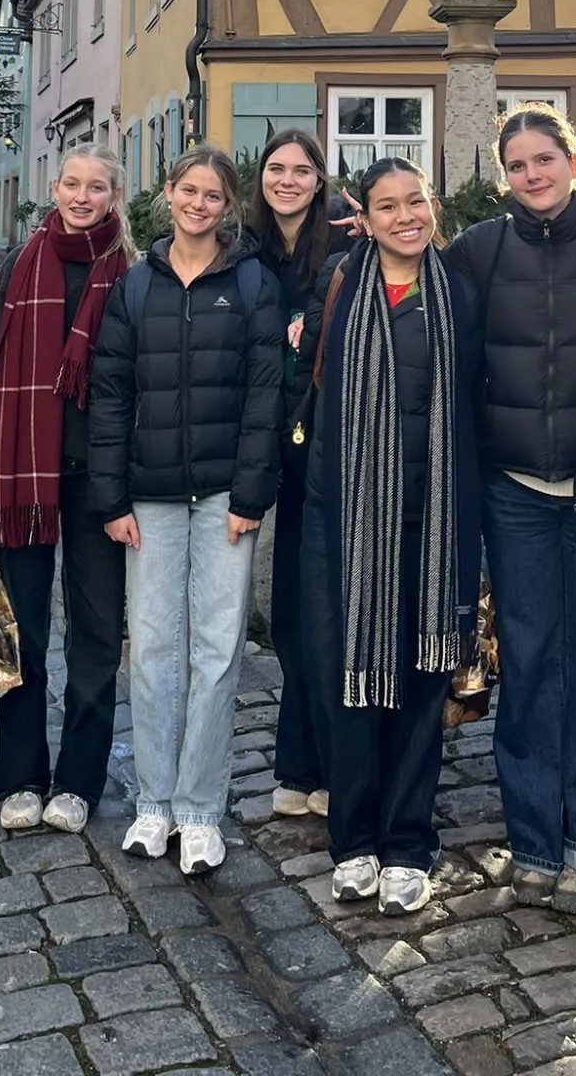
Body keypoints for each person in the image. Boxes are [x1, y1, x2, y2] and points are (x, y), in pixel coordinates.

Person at [446, 108, 576, 912]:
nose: (533, 175)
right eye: (518, 164)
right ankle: (533, 836)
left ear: (575, 158)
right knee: (528, 661)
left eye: (545, 159)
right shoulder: (479, 250)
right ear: (505, 176)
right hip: (516, 490)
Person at [88, 145, 284, 878]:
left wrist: (252, 493)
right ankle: (153, 799)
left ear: (227, 205)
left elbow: (267, 396)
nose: (199, 204)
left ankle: (201, 807)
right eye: (188, 191)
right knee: (156, 649)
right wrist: (111, 497)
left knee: (217, 650)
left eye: (213, 195)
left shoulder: (252, 283)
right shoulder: (137, 285)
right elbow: (111, 398)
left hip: (225, 498)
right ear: (168, 193)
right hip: (152, 495)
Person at [302, 158, 480, 916]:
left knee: (418, 681)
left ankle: (408, 842)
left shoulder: (460, 294)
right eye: (387, 205)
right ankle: (354, 841)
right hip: (344, 518)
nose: (405, 215)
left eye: (416, 201)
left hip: (432, 517)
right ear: (364, 219)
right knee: (348, 681)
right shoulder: (338, 288)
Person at [0, 146, 135, 836]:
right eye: (71, 184)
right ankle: (22, 777)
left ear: (115, 194)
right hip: (19, 475)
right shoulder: (14, 269)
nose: (82, 197)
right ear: (52, 188)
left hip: (99, 481)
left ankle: (79, 781)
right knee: (21, 631)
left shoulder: (128, 271)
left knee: (94, 634)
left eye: (96, 187)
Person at [247, 127, 339, 823]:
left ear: (318, 179)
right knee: (285, 616)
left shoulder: (342, 247)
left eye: (300, 170)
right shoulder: (244, 250)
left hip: (323, 447)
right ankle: (297, 758)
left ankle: (318, 764)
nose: (287, 180)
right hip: (257, 443)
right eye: (276, 169)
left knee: (320, 610)